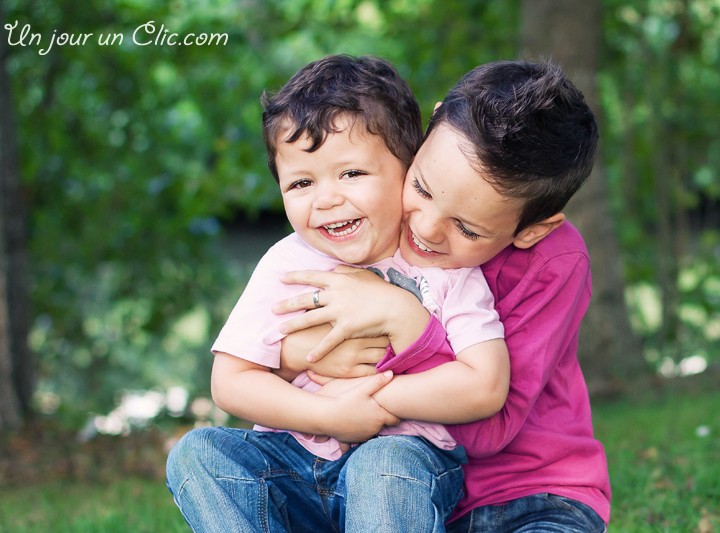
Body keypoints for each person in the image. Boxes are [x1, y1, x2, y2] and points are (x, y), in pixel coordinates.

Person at [166, 54, 510, 532]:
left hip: (403, 461)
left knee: (383, 462)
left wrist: (375, 406)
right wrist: (328, 414)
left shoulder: (440, 264)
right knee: (198, 453)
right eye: (302, 182)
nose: (326, 198)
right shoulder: (285, 263)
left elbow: (485, 386)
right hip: (289, 461)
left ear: (409, 169)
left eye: (351, 174)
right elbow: (231, 380)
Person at [274, 59, 611, 531]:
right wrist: (296, 356)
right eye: (423, 188)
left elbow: (491, 424)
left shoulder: (555, 262)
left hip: (532, 491)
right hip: (402, 484)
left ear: (532, 230)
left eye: (468, 228)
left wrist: (403, 320)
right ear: (428, 132)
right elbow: (288, 345)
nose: (425, 228)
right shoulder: (372, 209)